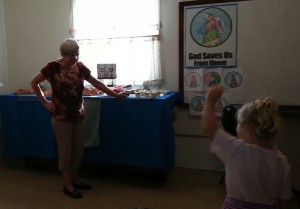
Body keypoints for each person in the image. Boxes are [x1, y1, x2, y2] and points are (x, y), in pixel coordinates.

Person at [31, 38, 128, 199]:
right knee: (65, 151)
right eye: (71, 55)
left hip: (77, 115)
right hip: (61, 117)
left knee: (77, 150)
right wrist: (44, 102)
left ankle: (74, 179)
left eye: (76, 54)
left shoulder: (80, 68)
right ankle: (67, 185)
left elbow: (97, 84)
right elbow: (34, 82)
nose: (74, 58)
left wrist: (115, 94)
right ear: (63, 54)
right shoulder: (52, 67)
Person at [203, 85, 292, 209]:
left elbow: (210, 129)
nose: (236, 128)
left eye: (238, 125)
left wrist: (210, 101)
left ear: (248, 129)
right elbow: (284, 200)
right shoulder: (281, 161)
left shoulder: (236, 149)